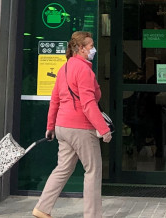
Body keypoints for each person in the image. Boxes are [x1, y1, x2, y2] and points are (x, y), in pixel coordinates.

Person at [33, 31, 112, 218]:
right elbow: (88, 103)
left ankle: (42, 208)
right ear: (80, 48)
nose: (93, 49)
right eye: (90, 45)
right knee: (93, 170)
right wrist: (103, 129)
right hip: (81, 128)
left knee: (62, 169)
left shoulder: (64, 68)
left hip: (62, 127)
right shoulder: (84, 70)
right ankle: (92, 215)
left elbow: (55, 100)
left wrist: (50, 126)